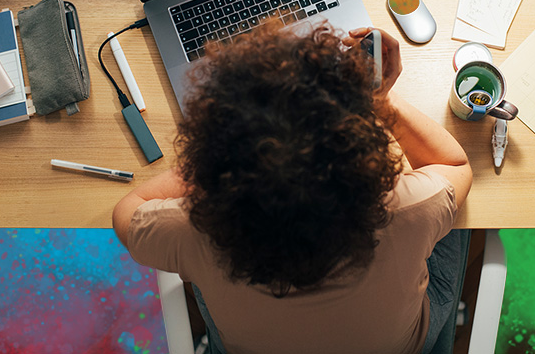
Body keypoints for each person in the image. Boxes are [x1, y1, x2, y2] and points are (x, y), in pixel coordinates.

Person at [113, 23, 473, 354]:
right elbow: (455, 164)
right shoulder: (409, 209)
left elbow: (128, 209)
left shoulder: (191, 231)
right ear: (360, 153)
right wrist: (379, 101)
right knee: (456, 220)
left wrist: (212, 162)